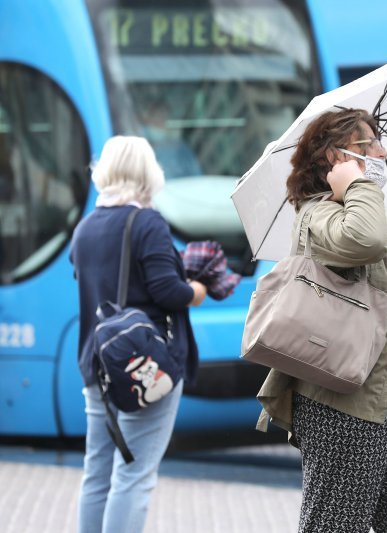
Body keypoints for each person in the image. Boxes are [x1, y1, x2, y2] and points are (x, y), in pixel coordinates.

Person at [254, 108, 387, 532]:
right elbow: (365, 239)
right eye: (368, 146)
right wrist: (356, 184)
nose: (382, 153)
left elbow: (367, 294)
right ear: (333, 158)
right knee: (336, 525)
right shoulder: (317, 212)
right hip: (344, 400)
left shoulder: (358, 212)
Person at [70, 136, 207, 533]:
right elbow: (169, 291)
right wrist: (197, 290)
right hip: (144, 362)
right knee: (134, 475)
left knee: (97, 473)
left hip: (98, 363)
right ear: (149, 173)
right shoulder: (147, 222)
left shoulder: (86, 228)